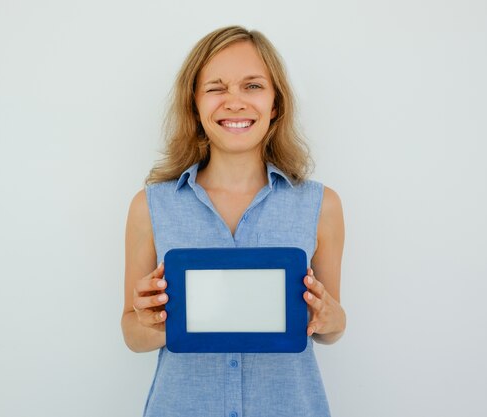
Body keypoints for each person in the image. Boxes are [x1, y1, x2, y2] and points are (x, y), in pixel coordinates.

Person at [121, 25, 346, 417]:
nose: (235, 102)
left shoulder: (321, 205)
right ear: (194, 103)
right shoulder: (150, 206)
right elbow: (133, 335)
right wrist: (150, 321)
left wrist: (329, 317)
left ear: (276, 103)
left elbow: (331, 328)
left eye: (253, 86)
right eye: (216, 88)